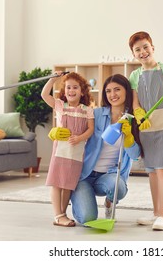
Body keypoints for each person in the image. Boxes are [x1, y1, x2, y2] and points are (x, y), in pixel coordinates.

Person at [128, 31, 163, 231]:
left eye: (145, 47)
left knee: (162, 170)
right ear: (133, 54)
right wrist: (138, 113)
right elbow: (135, 102)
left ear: (153, 47)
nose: (143, 52)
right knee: (151, 171)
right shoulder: (134, 75)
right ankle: (155, 213)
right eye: (137, 50)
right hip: (147, 126)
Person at [70, 74, 141, 224]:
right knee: (88, 220)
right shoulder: (96, 114)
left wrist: (128, 138)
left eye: (117, 90)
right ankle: (82, 201)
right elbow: (74, 128)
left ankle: (109, 202)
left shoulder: (133, 119)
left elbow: (135, 156)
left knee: (118, 188)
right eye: (108, 91)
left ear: (126, 91)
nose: (112, 95)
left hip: (109, 176)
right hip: (85, 175)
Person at [41, 72, 94, 227]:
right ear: (64, 91)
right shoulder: (59, 105)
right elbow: (44, 94)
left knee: (68, 185)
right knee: (57, 183)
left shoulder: (87, 110)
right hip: (60, 152)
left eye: (75, 87)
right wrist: (52, 79)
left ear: (82, 91)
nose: (71, 90)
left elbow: (90, 129)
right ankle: (58, 215)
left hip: (76, 153)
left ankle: (62, 214)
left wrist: (80, 137)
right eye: (68, 87)